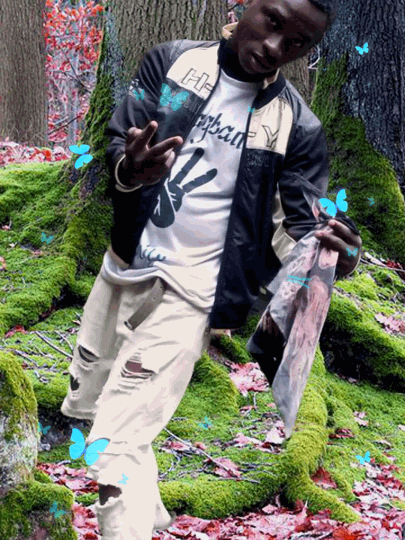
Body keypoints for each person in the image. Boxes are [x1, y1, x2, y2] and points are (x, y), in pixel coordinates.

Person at [61, 0, 362, 538]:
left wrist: (339, 256)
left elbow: (303, 229)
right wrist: (130, 167)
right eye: (272, 22)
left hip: (195, 295)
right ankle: (152, 512)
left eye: (296, 43)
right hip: (123, 267)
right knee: (91, 407)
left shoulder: (297, 127)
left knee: (112, 443)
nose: (275, 47)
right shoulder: (172, 63)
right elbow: (118, 143)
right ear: (246, 6)